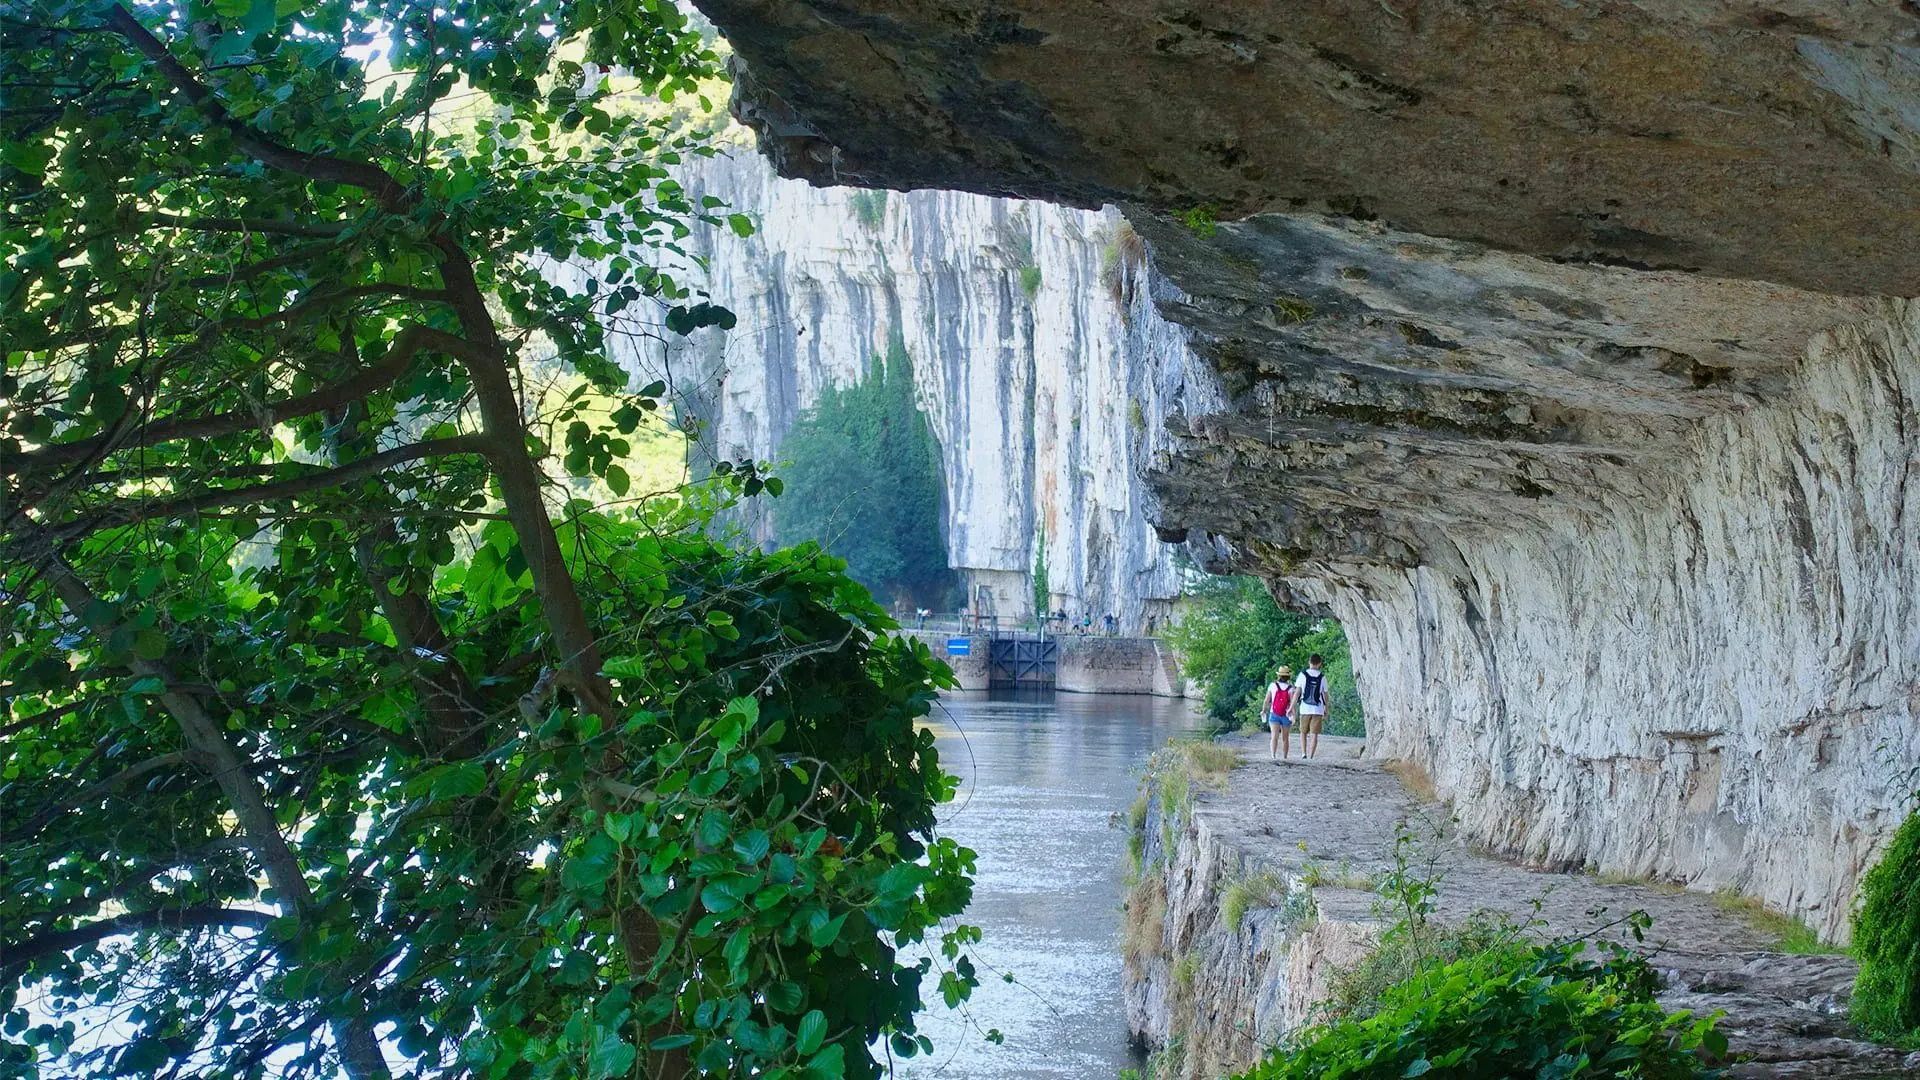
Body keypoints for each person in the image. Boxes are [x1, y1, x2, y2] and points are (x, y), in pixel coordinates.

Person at [1293, 654, 1330, 758]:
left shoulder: (1302, 675)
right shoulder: (1322, 677)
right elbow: (1325, 695)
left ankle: (1303, 753)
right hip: (1317, 709)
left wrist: (1292, 707)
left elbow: (1297, 693)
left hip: (1305, 708)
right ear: (1319, 664)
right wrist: (1326, 708)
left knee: (1303, 732)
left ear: (1309, 662)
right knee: (1314, 734)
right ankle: (1311, 756)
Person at [1265, 665, 1294, 760]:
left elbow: (1267, 700)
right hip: (1286, 715)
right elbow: (1292, 704)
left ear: (1279, 676)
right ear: (1288, 677)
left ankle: (1273, 755)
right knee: (1285, 738)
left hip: (1274, 713)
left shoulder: (1272, 686)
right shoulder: (1290, 688)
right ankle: (1285, 757)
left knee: (1274, 736)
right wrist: (1293, 716)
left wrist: (1264, 710)